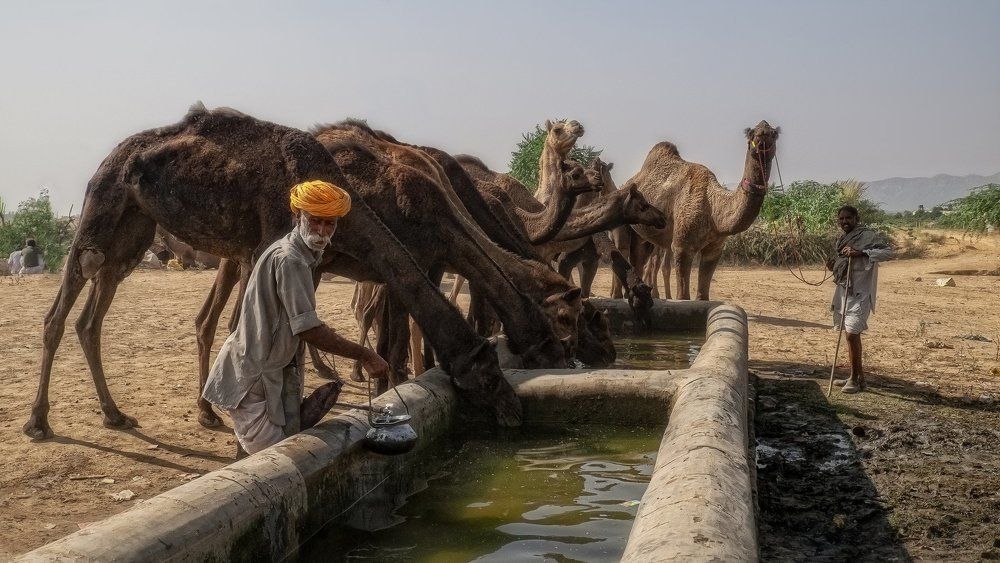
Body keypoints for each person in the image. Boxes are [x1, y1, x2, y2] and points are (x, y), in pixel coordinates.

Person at [203, 180, 390, 455]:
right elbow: (308, 330)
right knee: (273, 461)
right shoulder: (291, 260)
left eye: (330, 224)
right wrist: (365, 355)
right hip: (253, 376)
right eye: (315, 221)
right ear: (297, 216)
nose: (322, 231)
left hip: (268, 372)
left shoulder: (301, 255)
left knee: (259, 453)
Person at [825, 205, 894, 394]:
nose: (844, 222)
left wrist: (862, 253)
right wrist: (834, 266)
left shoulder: (867, 236)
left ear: (856, 218)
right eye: (841, 219)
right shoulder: (842, 240)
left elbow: (889, 252)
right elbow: (843, 263)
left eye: (848, 218)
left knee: (852, 334)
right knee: (848, 334)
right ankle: (858, 378)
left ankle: (854, 379)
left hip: (861, 293)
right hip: (843, 292)